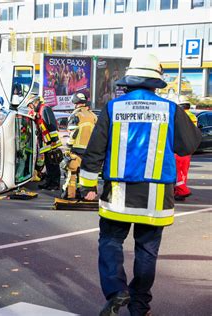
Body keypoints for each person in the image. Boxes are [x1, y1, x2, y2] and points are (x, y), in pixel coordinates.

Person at [78, 53, 201, 316]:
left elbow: (95, 151)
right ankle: (139, 306)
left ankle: (116, 290)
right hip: (157, 196)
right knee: (147, 251)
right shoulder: (171, 109)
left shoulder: (113, 108)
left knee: (110, 241)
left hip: (118, 191)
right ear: (156, 82)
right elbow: (189, 145)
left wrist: (86, 186)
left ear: (130, 81)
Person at [61, 92, 97, 199]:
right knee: (88, 174)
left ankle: (70, 194)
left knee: (72, 172)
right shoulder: (93, 116)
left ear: (75, 102)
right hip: (91, 151)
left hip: (77, 149)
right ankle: (87, 195)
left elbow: (73, 133)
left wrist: (68, 147)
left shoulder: (76, 115)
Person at [27, 95, 63, 190]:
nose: (31, 108)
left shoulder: (45, 109)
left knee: (53, 162)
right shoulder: (38, 112)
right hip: (45, 142)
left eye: (31, 105)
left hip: (51, 142)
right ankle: (48, 182)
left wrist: (53, 141)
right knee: (48, 163)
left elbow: (51, 125)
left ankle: (55, 183)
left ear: (35, 102)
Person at [174, 96, 197, 201]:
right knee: (183, 171)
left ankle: (182, 190)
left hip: (178, 147)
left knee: (176, 171)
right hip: (188, 148)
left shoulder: (180, 116)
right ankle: (180, 189)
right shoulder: (193, 116)